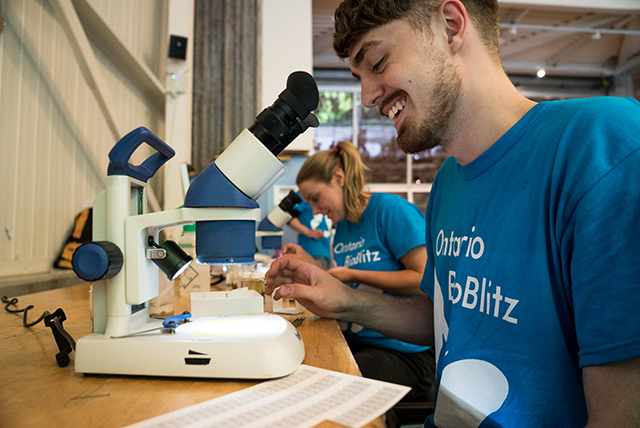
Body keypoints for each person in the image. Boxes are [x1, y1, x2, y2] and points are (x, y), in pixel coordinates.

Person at [266, 0, 640, 427]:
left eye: (377, 61)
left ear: (450, 24)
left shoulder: (602, 145)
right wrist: (345, 300)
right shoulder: (447, 182)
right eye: (359, 77)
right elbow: (441, 318)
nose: (368, 96)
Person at [283, 140, 435, 401]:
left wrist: (354, 274)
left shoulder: (389, 211)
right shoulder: (342, 228)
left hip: (406, 352)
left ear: (338, 178)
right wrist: (313, 265)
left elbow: (425, 278)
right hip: (361, 339)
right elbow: (348, 286)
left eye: (316, 199)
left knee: (334, 382)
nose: (316, 210)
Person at [286, 191, 332, 269]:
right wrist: (308, 232)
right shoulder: (304, 193)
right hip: (311, 250)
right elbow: (289, 217)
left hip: (326, 251)